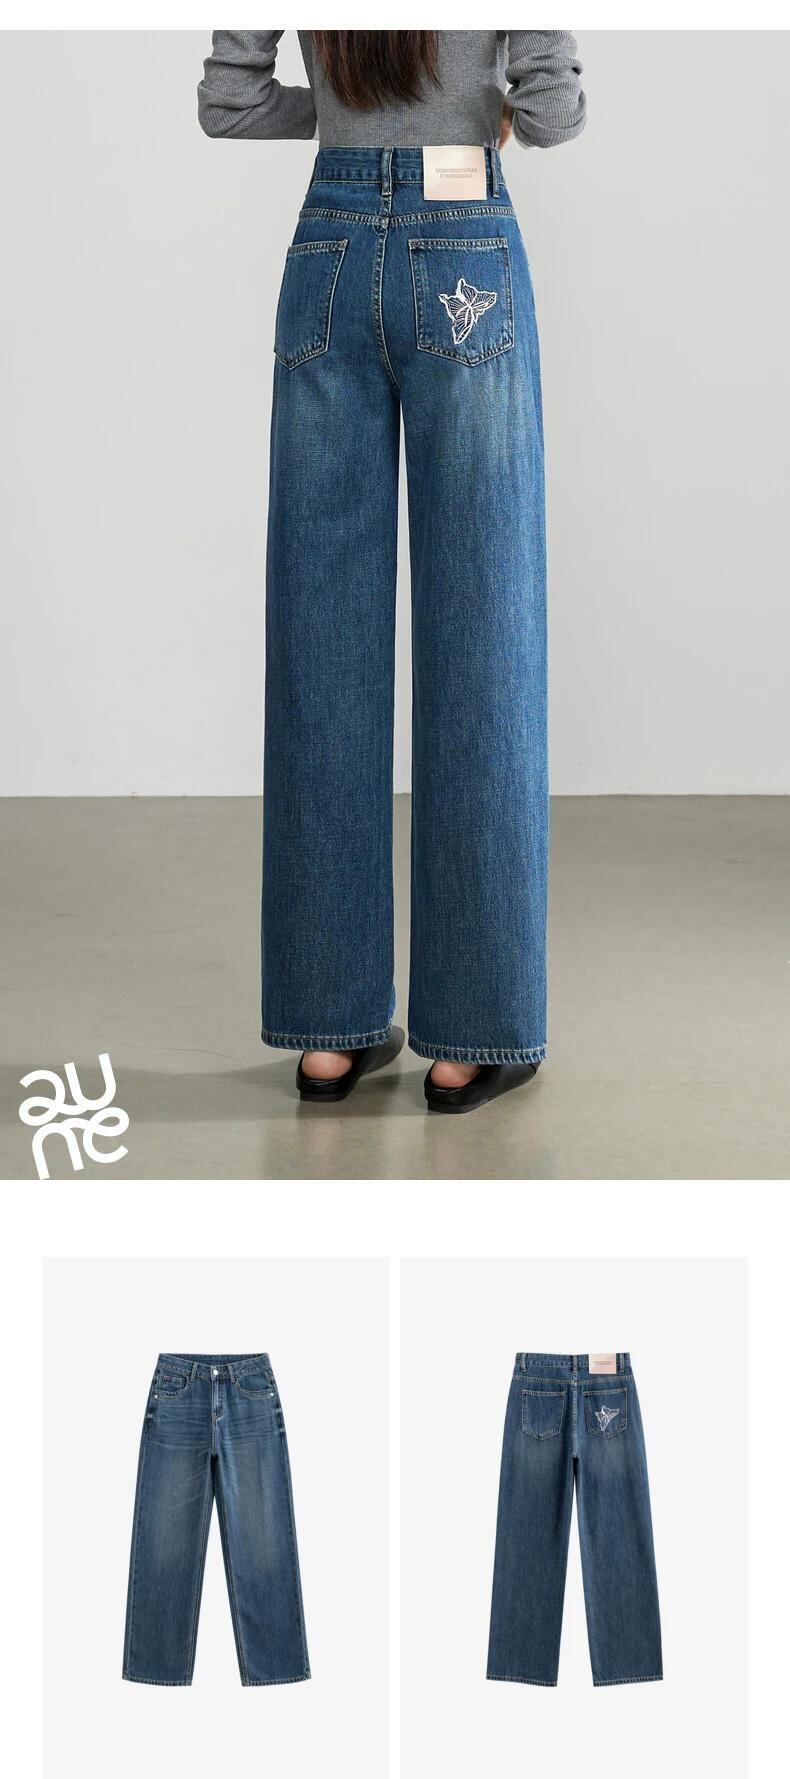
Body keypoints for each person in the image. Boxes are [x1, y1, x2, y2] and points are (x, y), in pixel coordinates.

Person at [198, 31, 586, 1113]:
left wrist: (342, 118)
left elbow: (230, 102)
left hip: (326, 246)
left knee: (321, 645)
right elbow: (552, 114)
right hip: (464, 246)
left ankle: (329, 1039)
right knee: (485, 644)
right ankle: (470, 1040)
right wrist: (477, 112)